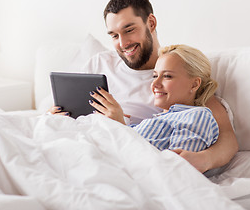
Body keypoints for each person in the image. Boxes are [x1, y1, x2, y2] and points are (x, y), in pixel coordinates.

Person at [51, 0, 238, 173]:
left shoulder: (176, 73)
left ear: (151, 23)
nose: (123, 43)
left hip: (118, 156)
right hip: (78, 144)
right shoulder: (98, 63)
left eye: (129, 30)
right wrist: (55, 117)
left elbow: (227, 138)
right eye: (114, 36)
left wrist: (205, 159)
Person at [89, 44, 220, 153]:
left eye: (167, 76)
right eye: (155, 76)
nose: (155, 84)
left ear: (195, 84)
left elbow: (175, 168)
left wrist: (121, 128)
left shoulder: (197, 117)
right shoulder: (153, 120)